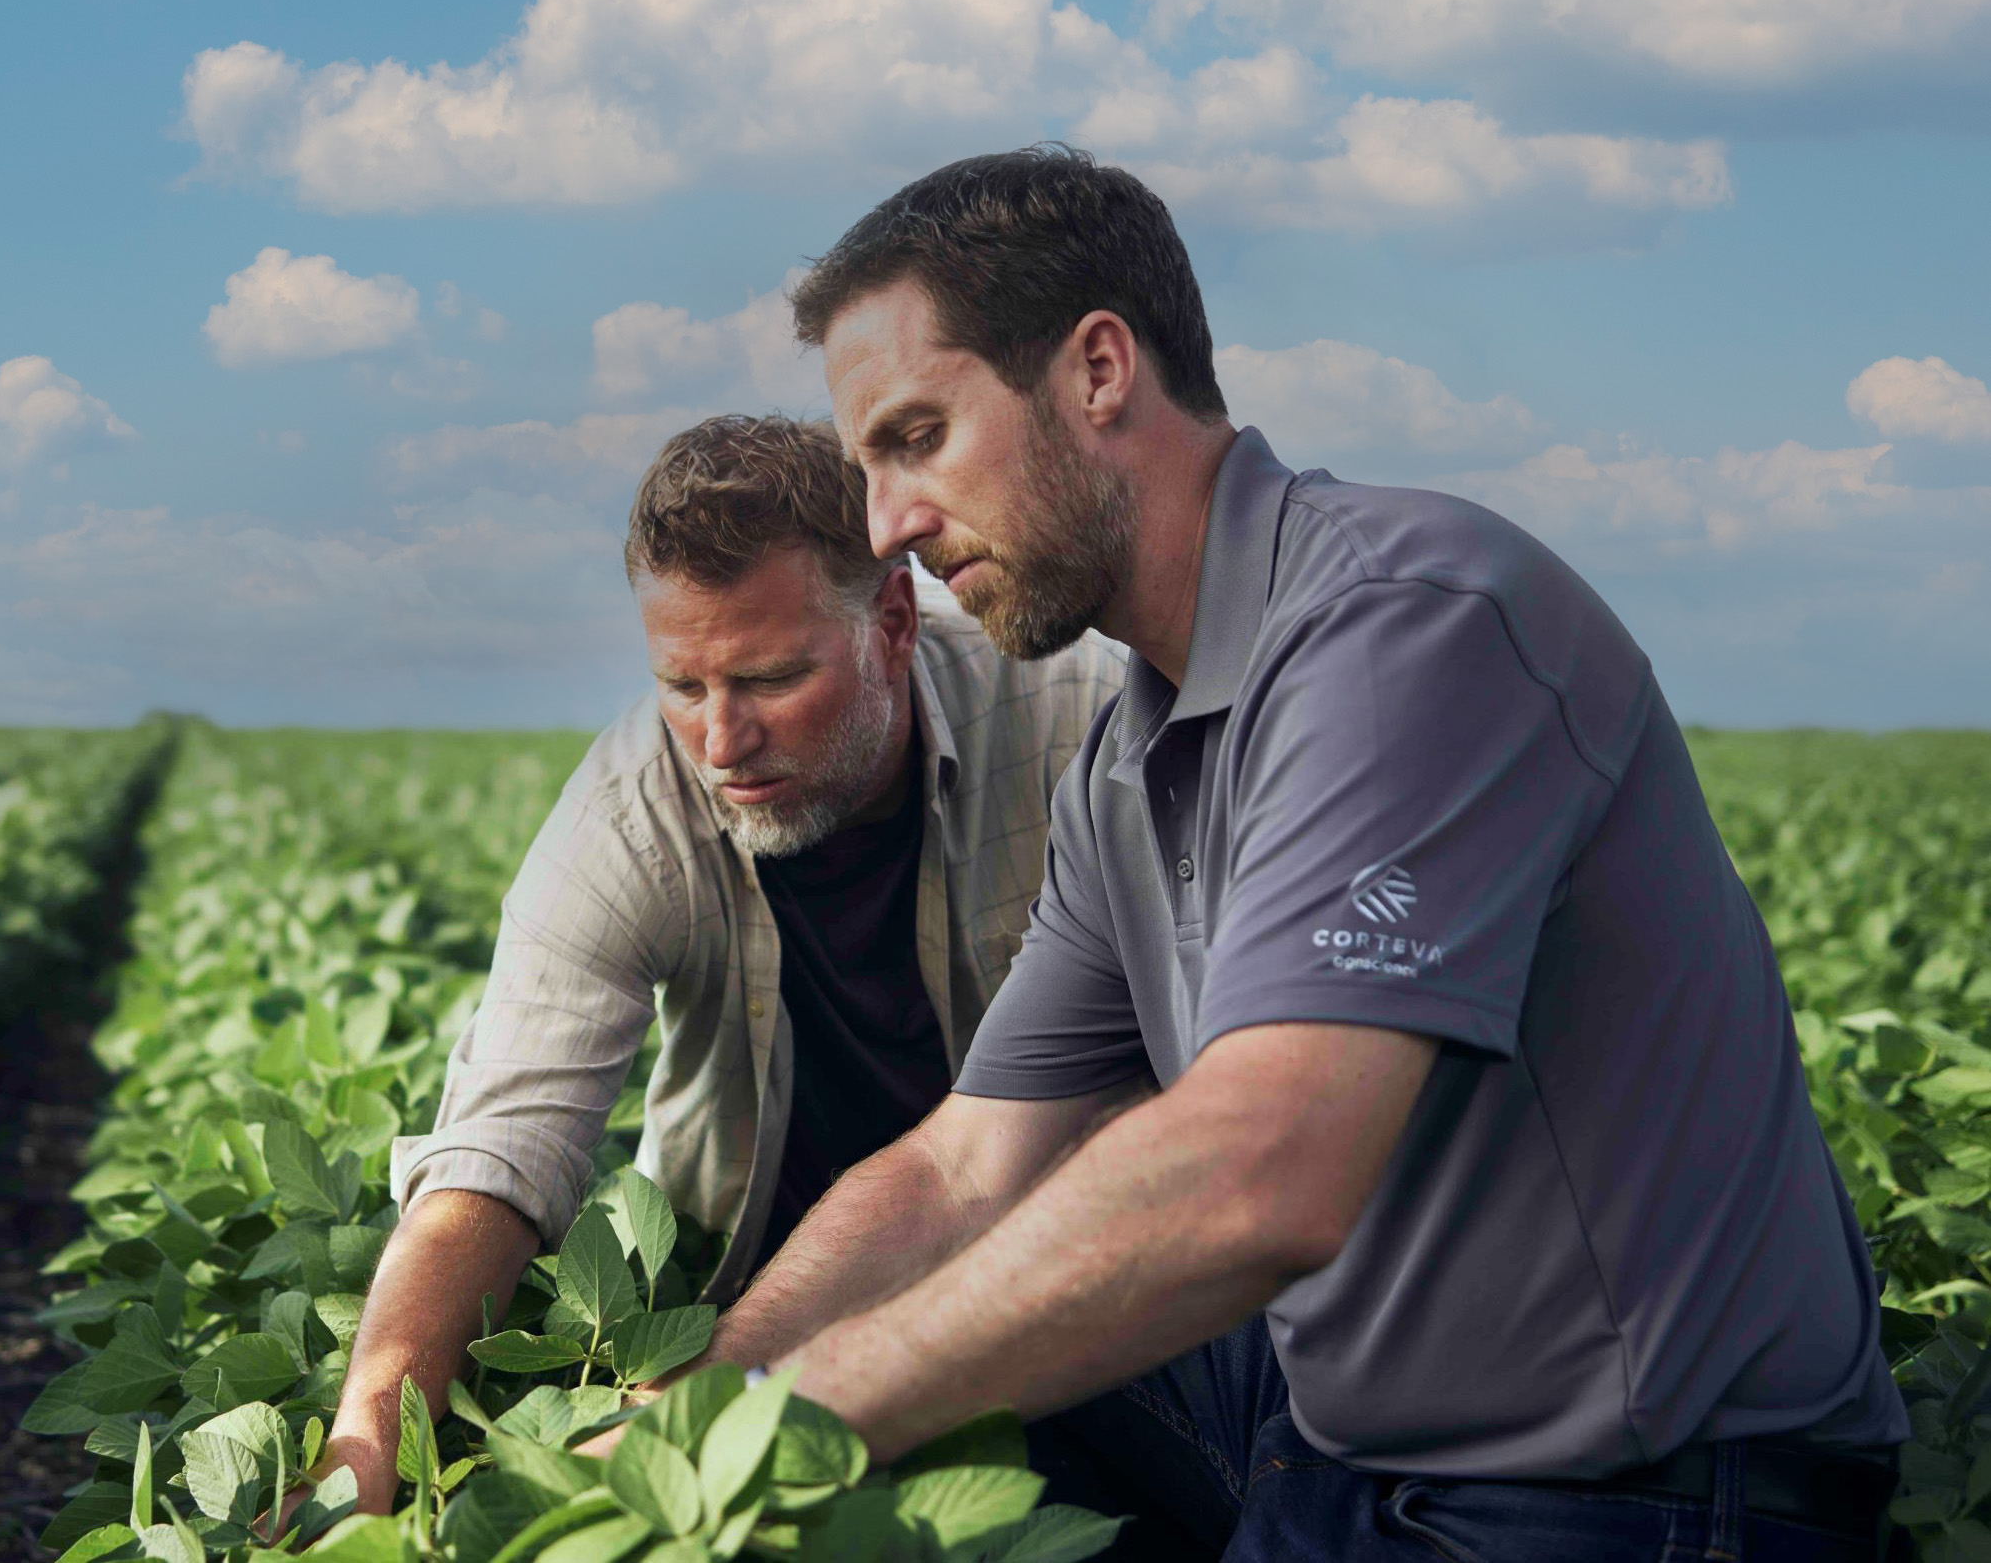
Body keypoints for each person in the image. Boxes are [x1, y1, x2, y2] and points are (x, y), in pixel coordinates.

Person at [699, 146, 1908, 1562]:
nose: (884, 526)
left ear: (1097, 368)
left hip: (1627, 1492)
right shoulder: (1130, 752)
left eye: (914, 436)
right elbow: (963, 1167)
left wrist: (802, 1409)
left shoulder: (1408, 620)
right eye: (865, 466)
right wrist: (699, 1409)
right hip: (1335, 1431)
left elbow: (1259, 1171)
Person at [324, 411, 1124, 1513]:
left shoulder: (1078, 715)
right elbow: (498, 1146)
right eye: (683, 684)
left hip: (1058, 1270)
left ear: (891, 620)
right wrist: (365, 1445)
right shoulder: (629, 808)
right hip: (745, 1297)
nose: (719, 740)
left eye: (768, 677)